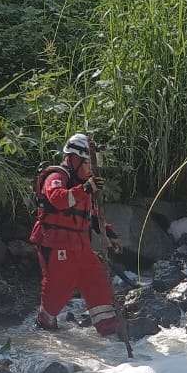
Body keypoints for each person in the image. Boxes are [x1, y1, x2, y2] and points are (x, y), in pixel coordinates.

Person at [29, 134, 123, 336]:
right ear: (74, 158)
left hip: (80, 244)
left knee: (96, 279)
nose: (91, 169)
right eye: (88, 163)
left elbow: (92, 214)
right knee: (58, 286)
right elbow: (58, 200)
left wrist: (108, 232)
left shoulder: (85, 185)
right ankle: (45, 324)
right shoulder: (56, 177)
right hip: (56, 243)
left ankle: (109, 330)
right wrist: (86, 188)